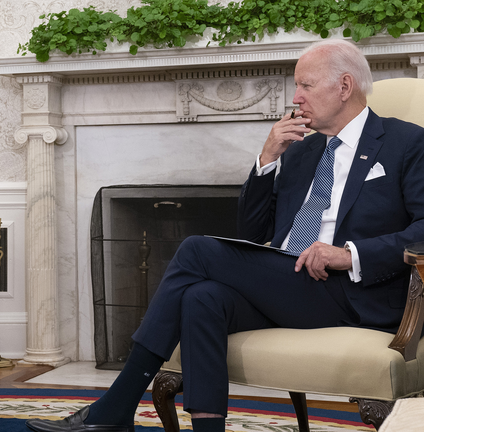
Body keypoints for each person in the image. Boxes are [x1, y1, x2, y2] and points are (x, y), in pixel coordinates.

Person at [25, 38, 423, 432]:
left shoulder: (407, 142)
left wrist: (348, 254)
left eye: (305, 85)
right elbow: (252, 232)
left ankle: (117, 403)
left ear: (344, 86)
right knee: (203, 298)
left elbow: (431, 230)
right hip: (290, 282)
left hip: (350, 291)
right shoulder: (300, 150)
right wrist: (267, 160)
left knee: (196, 249)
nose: (296, 96)